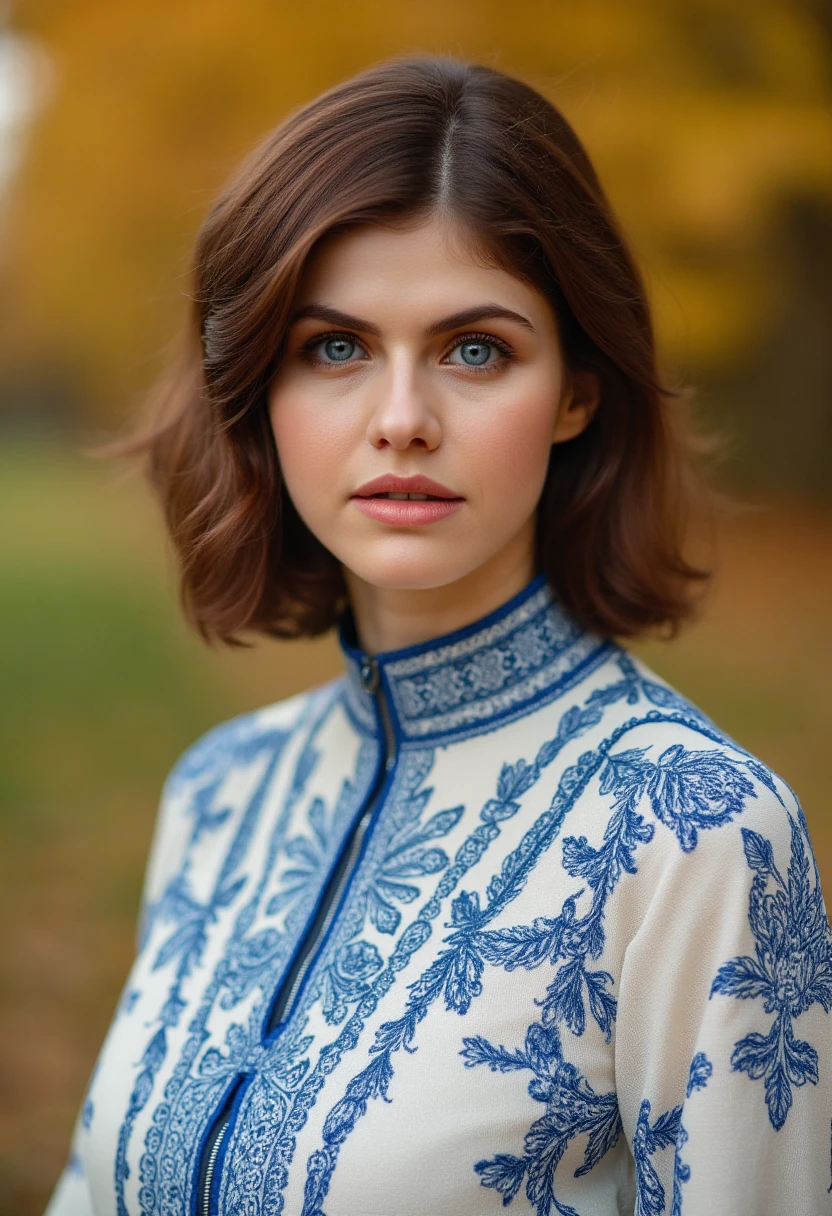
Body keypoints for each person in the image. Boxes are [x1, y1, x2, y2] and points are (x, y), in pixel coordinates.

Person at [45, 56, 832, 1216]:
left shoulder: (697, 834)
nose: (401, 419)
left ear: (575, 391)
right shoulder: (219, 792)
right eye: (334, 348)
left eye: (475, 350)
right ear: (258, 387)